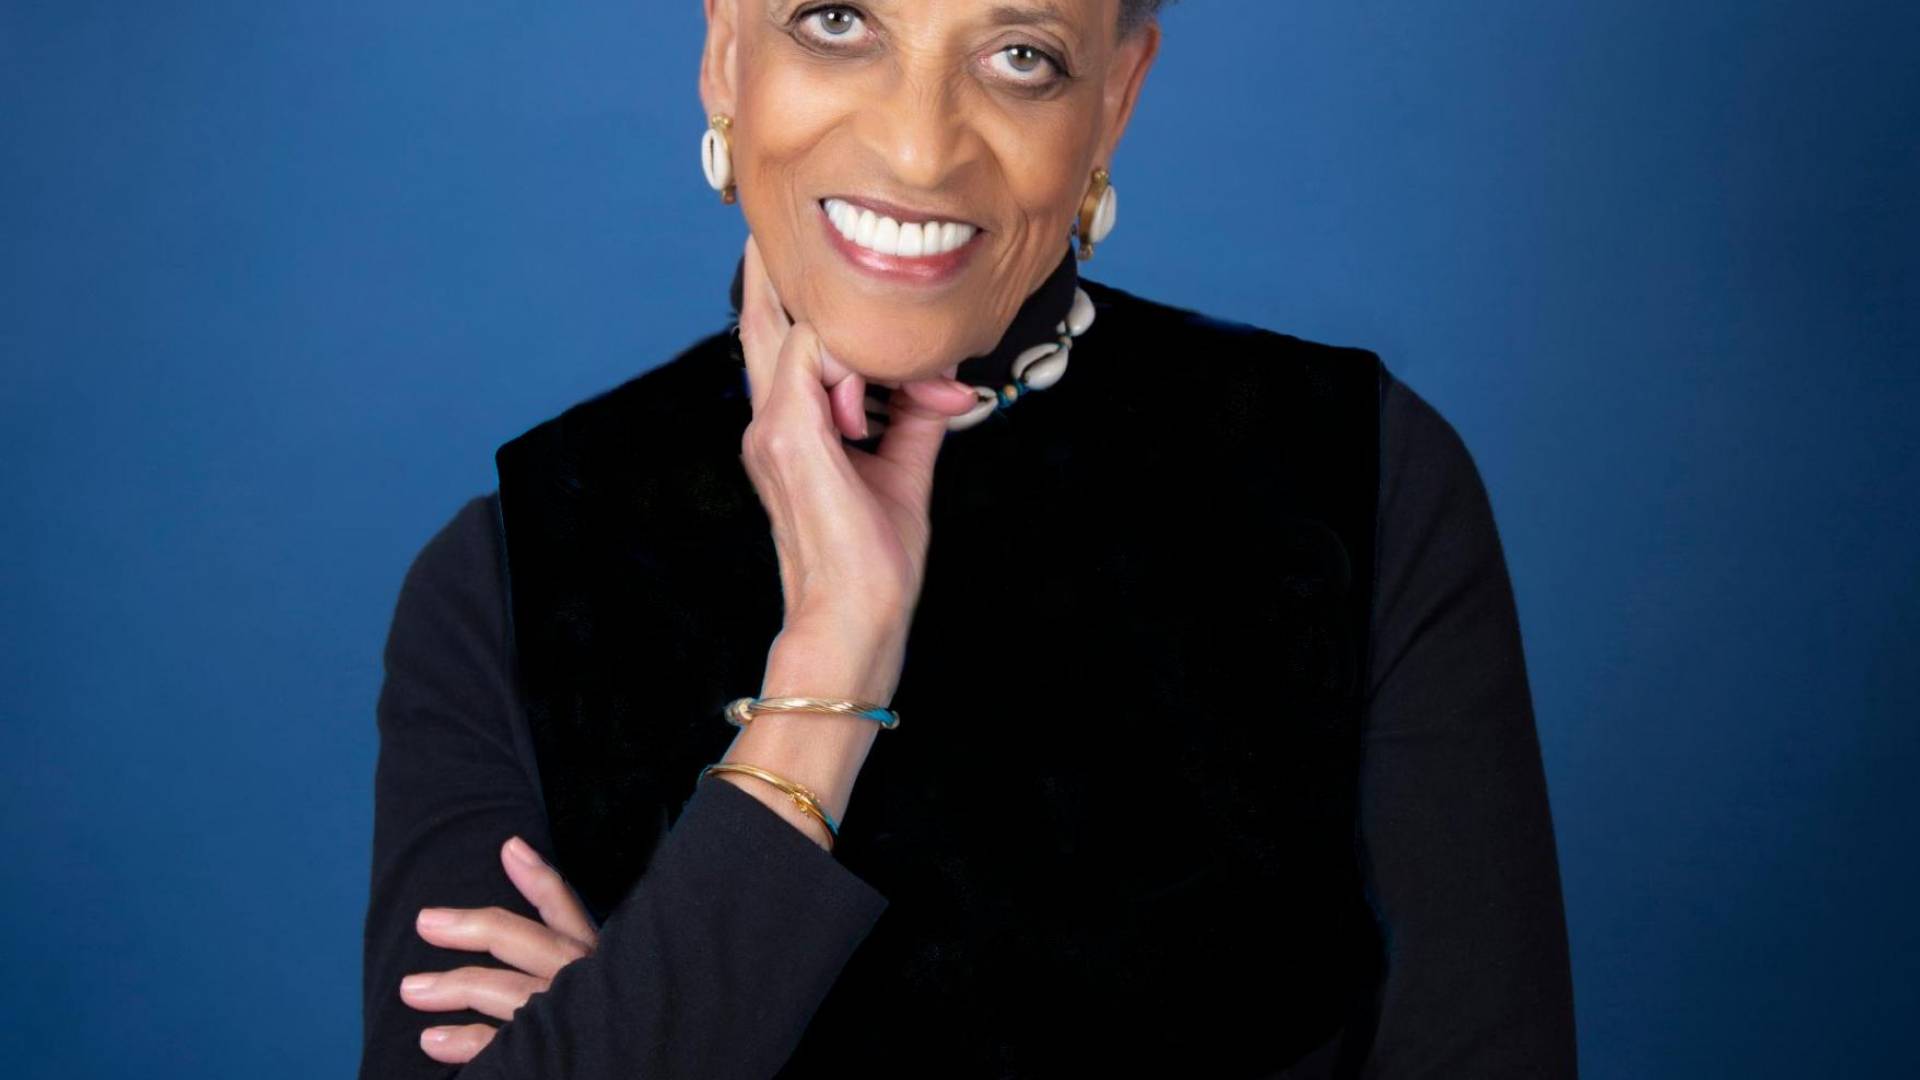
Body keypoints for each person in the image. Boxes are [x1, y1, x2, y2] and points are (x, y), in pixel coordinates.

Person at [358, 1, 1579, 1076]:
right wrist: (832, 660)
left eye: (1020, 55)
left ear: (1115, 101)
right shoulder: (514, 573)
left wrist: (636, 1024)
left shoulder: (1352, 479)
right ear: (725, 49)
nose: (918, 147)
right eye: (837, 19)